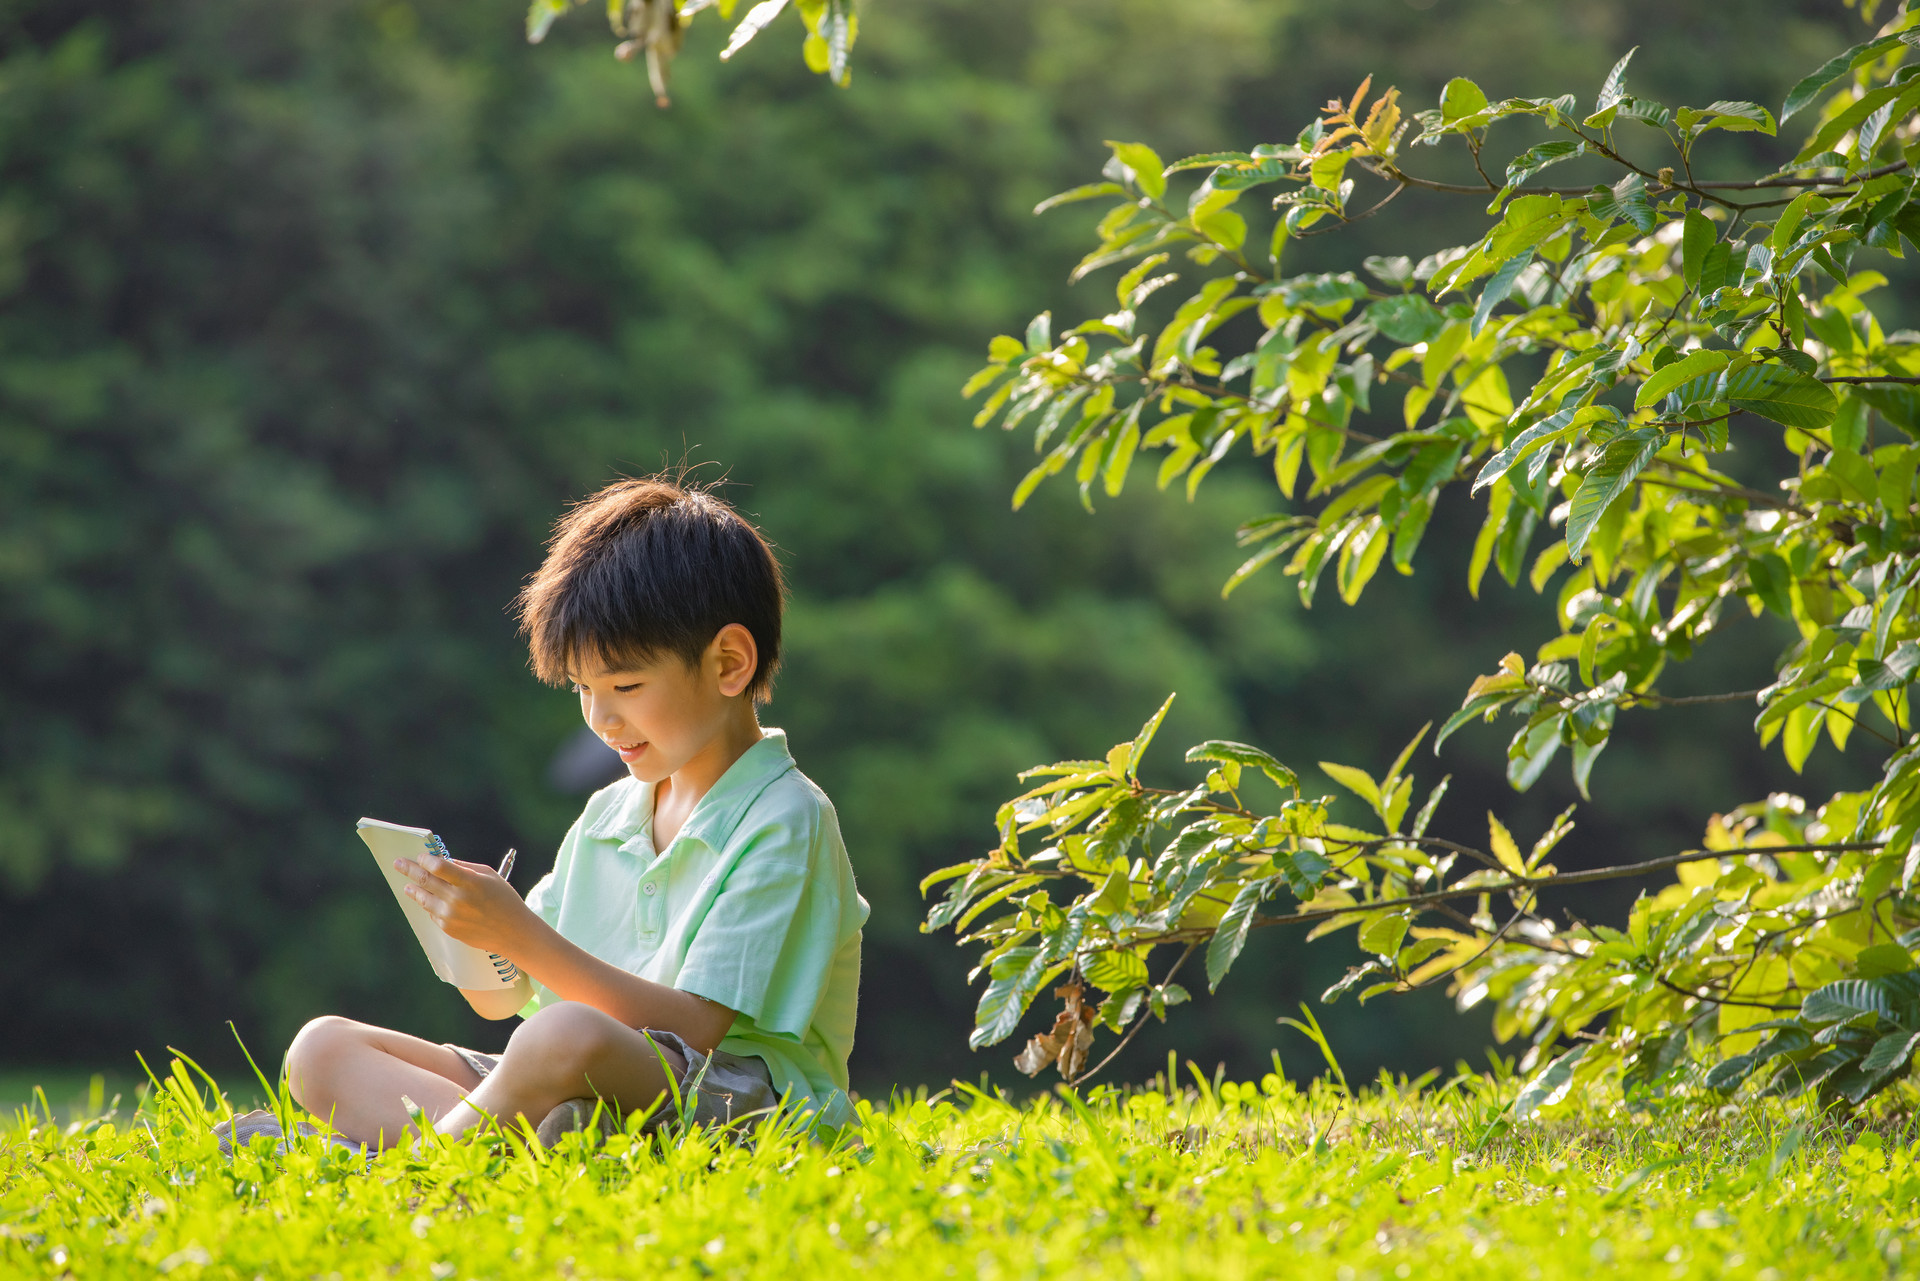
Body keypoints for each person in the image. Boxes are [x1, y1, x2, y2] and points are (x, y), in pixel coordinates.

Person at [226, 477, 867, 1151]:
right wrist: (475, 935)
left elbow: (695, 1031)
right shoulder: (608, 816)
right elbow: (510, 1001)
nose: (602, 717)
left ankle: (419, 1165)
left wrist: (524, 934)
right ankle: (538, 1139)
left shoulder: (785, 817)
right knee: (321, 1047)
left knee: (561, 1037)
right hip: (572, 1074)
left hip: (744, 1102)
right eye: (584, 690)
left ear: (729, 663)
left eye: (624, 685)